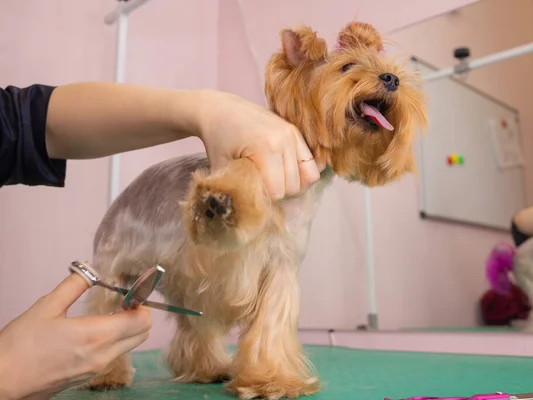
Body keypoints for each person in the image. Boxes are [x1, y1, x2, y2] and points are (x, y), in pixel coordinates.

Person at [0, 82, 322, 400]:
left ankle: (199, 354)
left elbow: (26, 119)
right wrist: (9, 371)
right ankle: (183, 354)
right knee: (133, 281)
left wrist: (206, 109)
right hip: (134, 223)